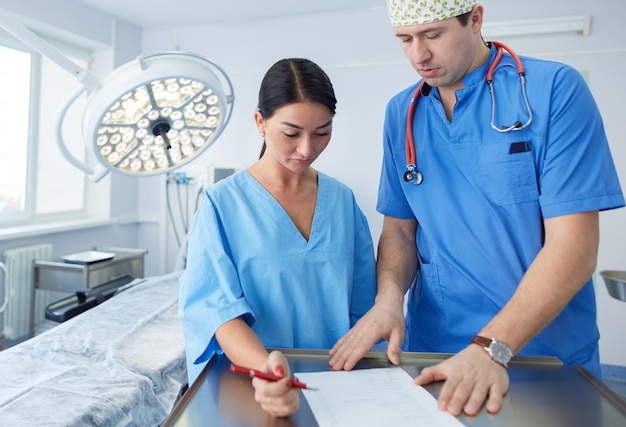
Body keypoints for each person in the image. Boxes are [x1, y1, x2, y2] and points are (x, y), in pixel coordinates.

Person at [329, 0, 625, 418]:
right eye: (405, 40)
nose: (419, 56)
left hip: (538, 353)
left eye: (433, 35)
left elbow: (574, 245)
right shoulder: (403, 113)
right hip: (432, 352)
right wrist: (389, 299)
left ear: (475, 19)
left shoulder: (553, 89)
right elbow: (400, 230)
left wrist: (490, 348)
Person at [178, 58, 377, 417]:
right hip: (251, 387)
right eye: (291, 133)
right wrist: (269, 372)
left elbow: (364, 308)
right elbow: (219, 314)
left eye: (322, 132)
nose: (306, 149)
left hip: (336, 389)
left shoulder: (342, 201)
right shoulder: (221, 204)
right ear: (260, 122)